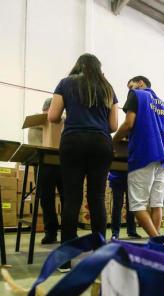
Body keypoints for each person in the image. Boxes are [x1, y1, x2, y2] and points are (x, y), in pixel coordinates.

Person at [48, 53, 118, 271]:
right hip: (100, 143)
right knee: (96, 197)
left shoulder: (65, 83)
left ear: (77, 65)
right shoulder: (107, 88)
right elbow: (114, 125)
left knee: (71, 198)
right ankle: (99, 256)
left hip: (73, 142)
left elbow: (52, 116)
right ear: (98, 68)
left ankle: (66, 259)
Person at [113, 76, 164, 238]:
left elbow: (128, 124)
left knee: (137, 206)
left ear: (140, 83)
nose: (130, 90)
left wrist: (113, 141)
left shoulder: (137, 95)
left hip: (142, 155)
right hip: (162, 159)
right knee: (157, 204)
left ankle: (156, 240)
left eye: (131, 86)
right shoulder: (163, 105)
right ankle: (155, 243)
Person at [28, 98, 64, 244]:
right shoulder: (37, 122)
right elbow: (33, 145)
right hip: (44, 165)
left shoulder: (65, 121)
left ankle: (66, 233)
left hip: (62, 163)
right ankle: (51, 232)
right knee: (46, 200)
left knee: (66, 199)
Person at [108, 170, 141, 240]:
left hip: (131, 176)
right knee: (117, 205)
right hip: (116, 176)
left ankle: (131, 231)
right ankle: (115, 232)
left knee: (131, 205)